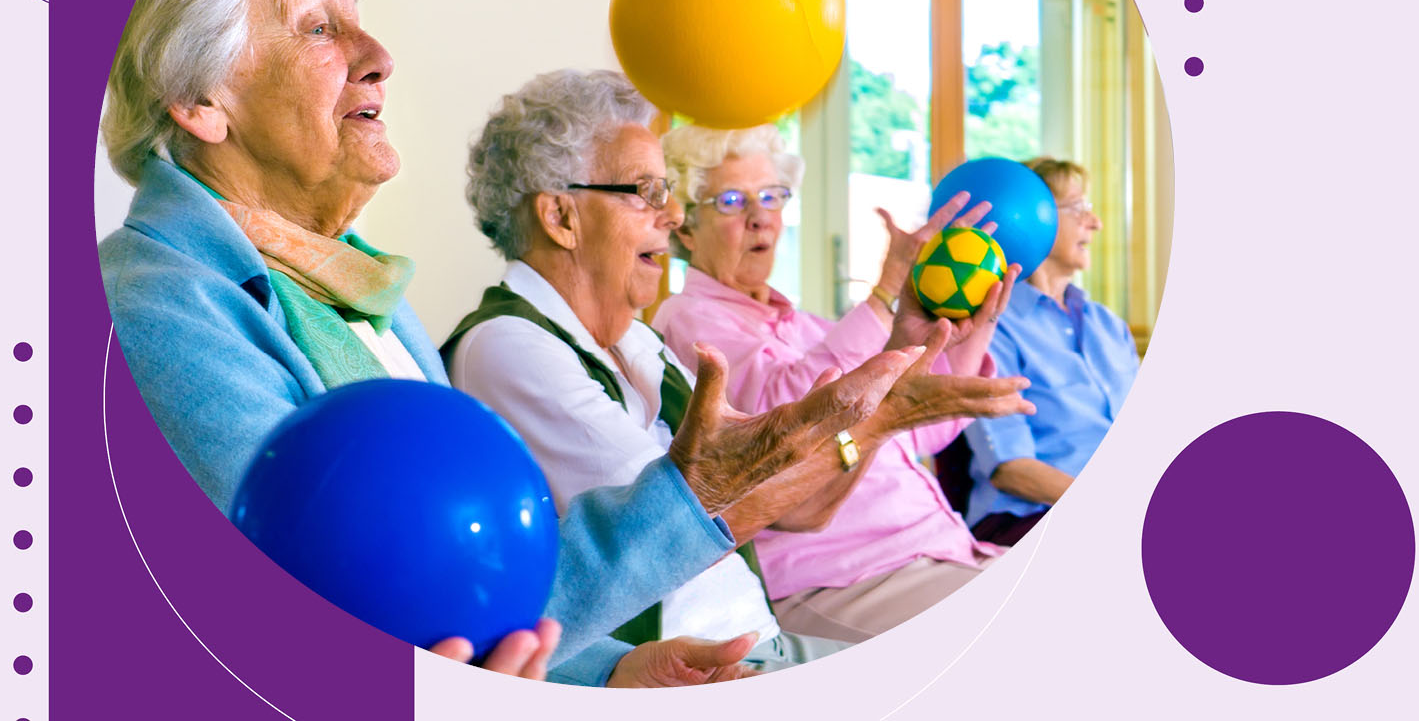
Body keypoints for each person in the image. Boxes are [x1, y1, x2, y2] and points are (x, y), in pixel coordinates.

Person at [97, 0, 901, 687]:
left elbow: (473, 578)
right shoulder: (157, 305)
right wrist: (711, 484)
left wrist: (603, 673)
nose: (377, 55)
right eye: (318, 28)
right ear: (202, 102)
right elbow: (346, 605)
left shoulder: (362, 288)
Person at [444, 72, 1033, 664]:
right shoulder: (513, 347)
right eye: (645, 191)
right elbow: (673, 525)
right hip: (689, 664)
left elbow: (798, 505)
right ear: (561, 218)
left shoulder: (639, 345)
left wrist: (911, 367)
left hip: (754, 636)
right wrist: (880, 417)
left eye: (668, 191)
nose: (670, 215)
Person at [652, 122, 1026, 643]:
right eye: (733, 200)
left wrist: (970, 328)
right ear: (686, 229)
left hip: (938, 551)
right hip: (836, 577)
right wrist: (884, 295)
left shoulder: (808, 327)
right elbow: (792, 413)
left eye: (772, 196)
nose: (760, 216)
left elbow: (917, 431)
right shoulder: (688, 320)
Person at [962, 157, 1141, 545]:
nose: (1095, 223)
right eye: (1078, 209)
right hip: (1028, 517)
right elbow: (1010, 467)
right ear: (1030, 217)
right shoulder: (991, 329)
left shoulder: (1108, 326)